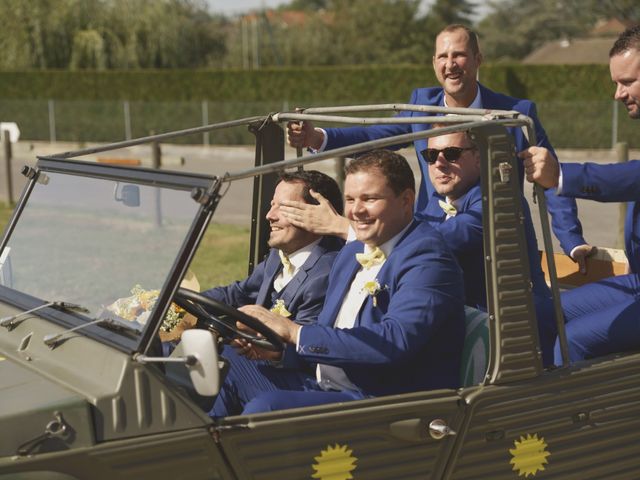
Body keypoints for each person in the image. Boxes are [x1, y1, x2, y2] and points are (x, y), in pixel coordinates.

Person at [286, 24, 593, 270]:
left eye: (458, 55)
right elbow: (377, 135)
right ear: (434, 63)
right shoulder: (422, 105)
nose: (450, 65)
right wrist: (318, 138)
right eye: (442, 57)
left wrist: (572, 241)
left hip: (499, 242)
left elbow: (550, 176)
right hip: (433, 232)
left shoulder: (515, 112)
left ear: (477, 59)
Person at [210, 150, 465, 416]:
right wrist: (277, 352)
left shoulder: (428, 258)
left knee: (266, 410)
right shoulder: (350, 253)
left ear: (406, 201)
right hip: (327, 383)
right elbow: (328, 334)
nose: (356, 211)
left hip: (384, 400)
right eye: (350, 199)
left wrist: (294, 332)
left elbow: (394, 341)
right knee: (222, 365)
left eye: (370, 199)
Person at [282, 127, 557, 365]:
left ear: (477, 157)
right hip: (451, 320)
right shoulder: (435, 206)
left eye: (451, 154)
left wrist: (345, 227)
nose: (439, 164)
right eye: (430, 156)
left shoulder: (498, 201)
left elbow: (445, 237)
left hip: (516, 331)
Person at [519, 25, 640, 363]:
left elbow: (630, 177)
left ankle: (570, 415)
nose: (617, 94)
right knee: (542, 314)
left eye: (627, 82)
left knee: (573, 341)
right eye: (615, 83)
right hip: (635, 282)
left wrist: (561, 175)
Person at [203, 170, 344, 326]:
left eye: (283, 207)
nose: (270, 215)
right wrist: (179, 305)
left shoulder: (326, 274)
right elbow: (238, 294)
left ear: (316, 215)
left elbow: (300, 340)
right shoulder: (278, 254)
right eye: (272, 205)